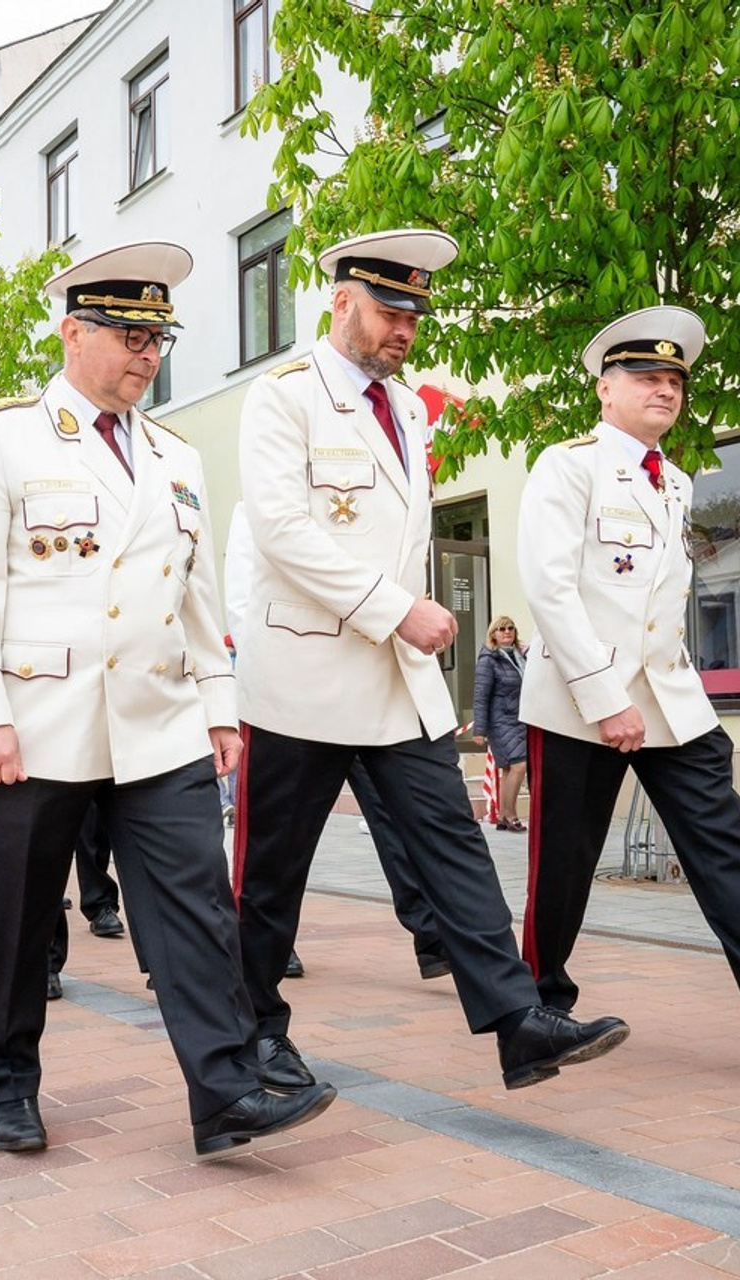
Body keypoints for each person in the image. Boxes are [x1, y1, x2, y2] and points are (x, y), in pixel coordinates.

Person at [0, 241, 335, 1157]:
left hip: (159, 723)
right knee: (17, 910)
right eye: (127, 334)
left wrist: (219, 705)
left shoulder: (175, 455)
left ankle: (228, 1091)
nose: (147, 353)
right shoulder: (1, 436)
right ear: (72, 333)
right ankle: (5, 1077)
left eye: (157, 336)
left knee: (196, 909)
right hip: (39, 722)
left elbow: (195, 594)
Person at [233, 228, 630, 1092]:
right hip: (301, 676)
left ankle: (516, 1020)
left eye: (415, 313)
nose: (404, 329)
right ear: (340, 301)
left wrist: (405, 621)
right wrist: (396, 610)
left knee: (452, 843)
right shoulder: (282, 398)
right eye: (388, 310)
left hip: (392, 681)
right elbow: (281, 532)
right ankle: (255, 1030)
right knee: (272, 871)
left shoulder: (409, 410)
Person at [518, 305, 740, 1013]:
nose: (666, 390)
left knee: (723, 843)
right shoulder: (568, 466)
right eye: (646, 376)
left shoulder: (674, 483)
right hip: (583, 699)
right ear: (604, 388)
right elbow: (550, 588)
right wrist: (605, 696)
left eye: (675, 380)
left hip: (671, 699)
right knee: (563, 864)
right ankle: (539, 1006)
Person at [224, 501, 451, 982]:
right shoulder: (264, 506)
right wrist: (277, 684)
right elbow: (244, 604)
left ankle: (431, 934)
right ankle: (274, 945)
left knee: (391, 820)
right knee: (283, 838)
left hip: (370, 693)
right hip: (300, 699)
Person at [472, 616, 529, 831]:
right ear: (493, 634)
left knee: (508, 769)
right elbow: (480, 695)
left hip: (519, 720)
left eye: (511, 628)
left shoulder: (519, 657)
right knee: (519, 765)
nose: (507, 632)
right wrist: (480, 730)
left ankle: (504, 815)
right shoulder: (489, 659)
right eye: (501, 629)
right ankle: (510, 815)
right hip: (501, 722)